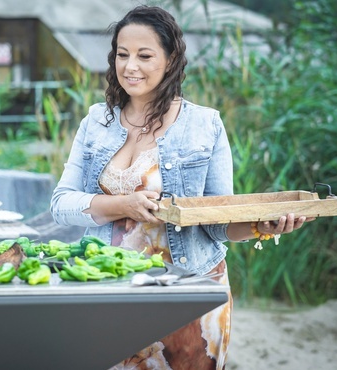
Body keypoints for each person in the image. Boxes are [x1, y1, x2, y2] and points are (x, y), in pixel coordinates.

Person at [50, 5, 313, 370]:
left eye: (145, 56)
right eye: (122, 55)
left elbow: (218, 222)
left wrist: (259, 226)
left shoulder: (206, 125)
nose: (130, 67)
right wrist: (124, 204)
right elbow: (62, 204)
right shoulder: (96, 121)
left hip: (191, 293)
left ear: (171, 59)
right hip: (113, 288)